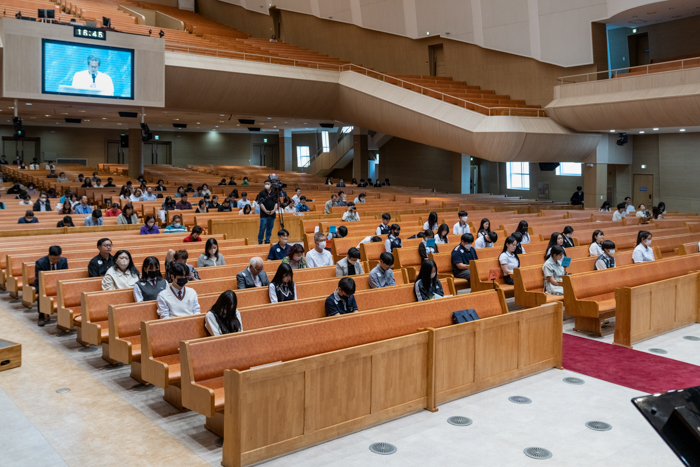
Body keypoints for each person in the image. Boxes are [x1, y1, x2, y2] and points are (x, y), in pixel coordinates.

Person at [34, 246, 68, 326]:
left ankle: (64, 317)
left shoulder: (63, 260)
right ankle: (41, 315)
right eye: (53, 259)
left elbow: (65, 275)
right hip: (43, 284)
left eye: (57, 258)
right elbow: (39, 278)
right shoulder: (40, 262)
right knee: (41, 294)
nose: (55, 261)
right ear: (49, 255)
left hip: (58, 283)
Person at [256, 180, 279, 245]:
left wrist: (274, 210)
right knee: (262, 228)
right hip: (264, 214)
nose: (266, 185)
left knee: (270, 228)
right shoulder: (261, 193)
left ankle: (267, 240)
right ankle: (260, 240)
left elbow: (276, 202)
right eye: (265, 183)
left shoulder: (274, 193)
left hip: (272, 214)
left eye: (268, 183)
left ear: (271, 185)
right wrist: (265, 210)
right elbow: (260, 203)